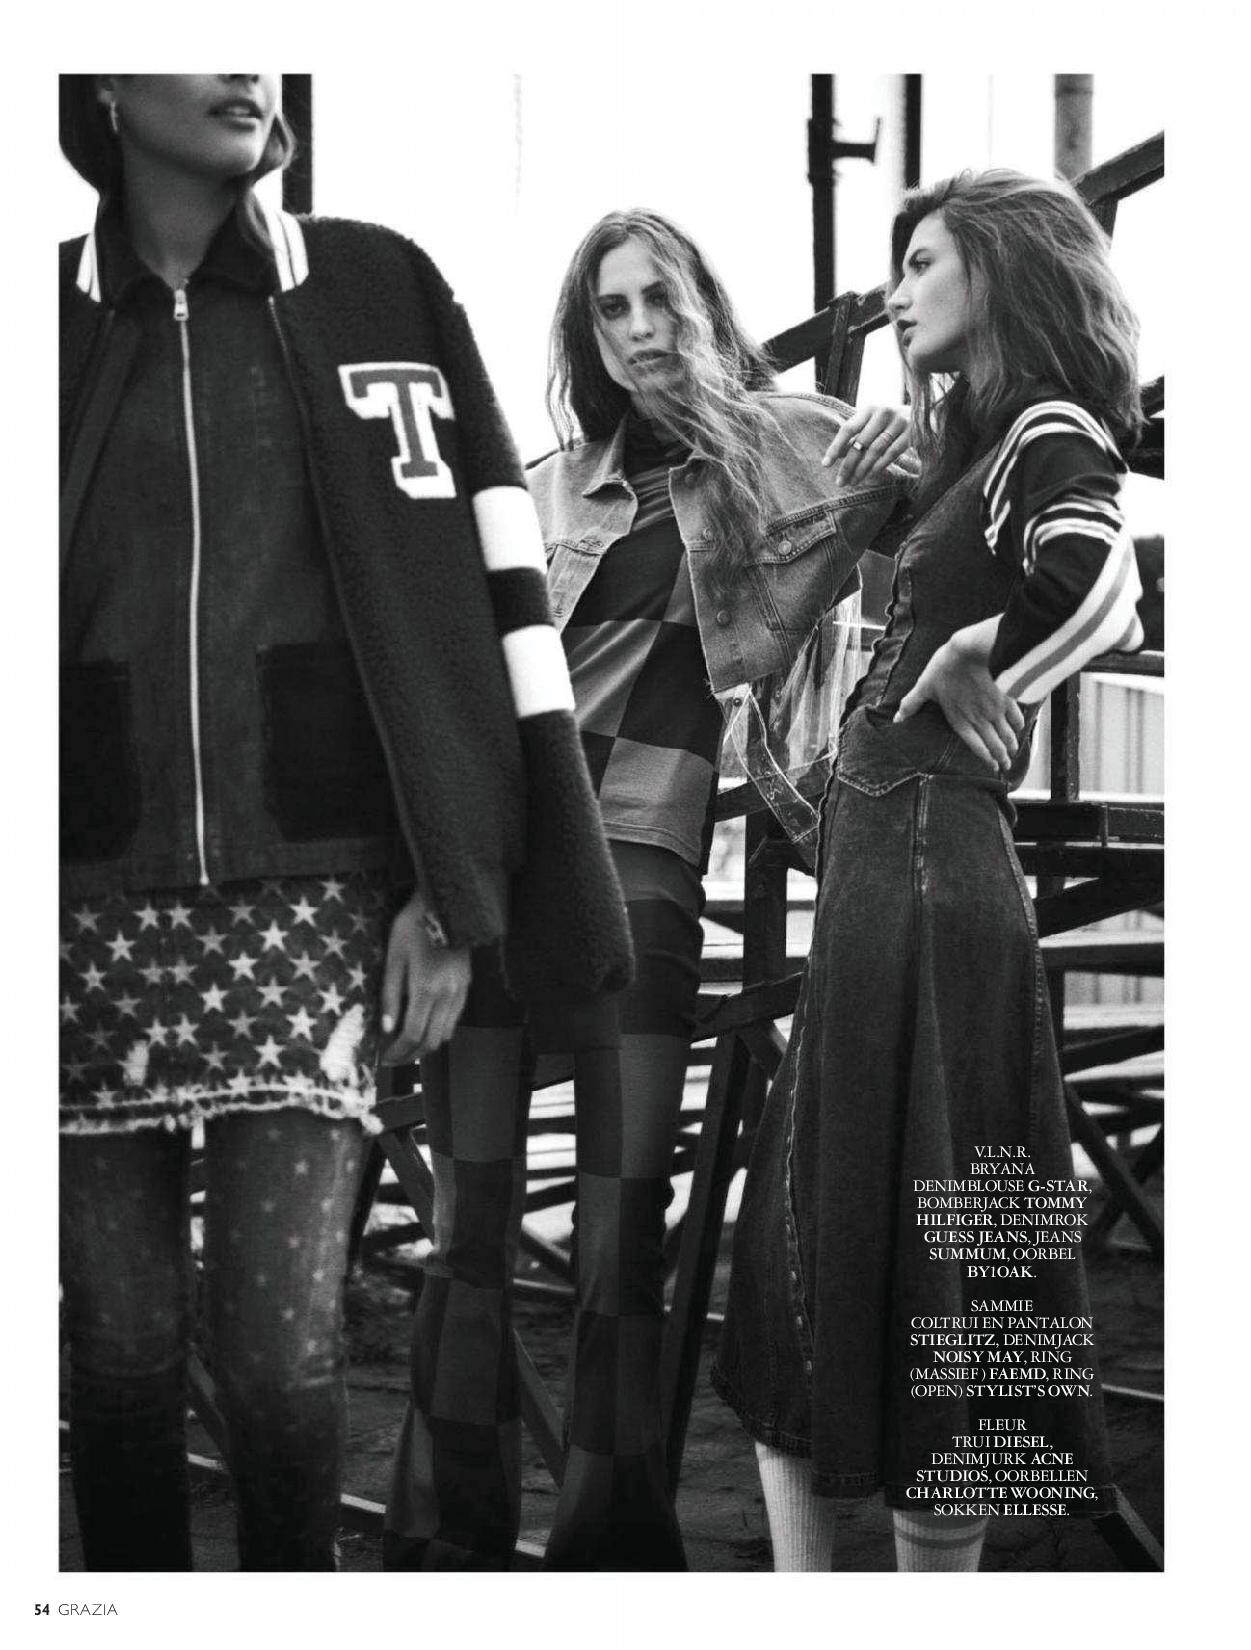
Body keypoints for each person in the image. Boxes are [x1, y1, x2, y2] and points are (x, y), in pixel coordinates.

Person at [58, 73, 630, 1571]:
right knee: (114, 1358)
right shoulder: (34, 319)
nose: (246, 66)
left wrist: (453, 885)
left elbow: (479, 605)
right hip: (67, 902)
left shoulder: (378, 288)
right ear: (103, 74)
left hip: (314, 895)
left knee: (276, 1362)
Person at [383, 207, 915, 1569]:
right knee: (471, 1224)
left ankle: (611, 1552)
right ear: (587, 336)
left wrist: (905, 456)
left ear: (700, 303)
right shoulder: (545, 491)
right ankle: (446, 1550)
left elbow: (939, 509)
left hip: (643, 878)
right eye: (609, 310)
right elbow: (458, 690)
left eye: (657, 299)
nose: (637, 330)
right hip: (508, 876)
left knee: (623, 1227)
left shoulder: (789, 445)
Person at [713, 169, 1145, 1571]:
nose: (896, 293)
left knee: (927, 1255)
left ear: (1000, 272)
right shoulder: (970, 456)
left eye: (923, 263)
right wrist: (893, 493)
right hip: (884, 870)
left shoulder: (1046, 429)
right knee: (831, 1253)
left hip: (928, 868)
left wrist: (982, 655)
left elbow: (1104, 580)